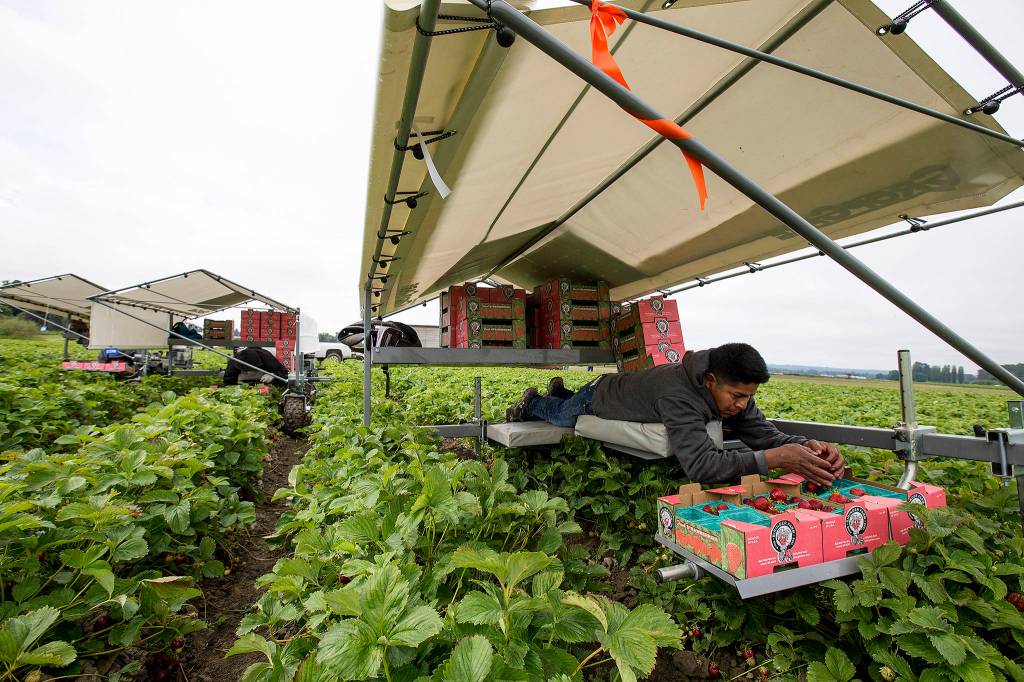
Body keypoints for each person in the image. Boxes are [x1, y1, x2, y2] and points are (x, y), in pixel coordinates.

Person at [506, 343, 844, 485]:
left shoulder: (731, 392)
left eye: (749, 397)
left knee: (567, 403)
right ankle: (534, 401)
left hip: (630, 391)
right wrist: (776, 459)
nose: (743, 405)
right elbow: (701, 466)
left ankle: (560, 391)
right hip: (603, 395)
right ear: (711, 380)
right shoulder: (678, 394)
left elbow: (766, 436)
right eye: (738, 396)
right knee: (565, 415)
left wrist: (807, 445)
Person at [222, 346, 289, 386]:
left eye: (250, 369)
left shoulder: (266, 357)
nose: (248, 372)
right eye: (246, 370)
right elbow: (228, 380)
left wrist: (273, 375)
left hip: (265, 378)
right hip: (244, 381)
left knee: (277, 382)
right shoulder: (235, 361)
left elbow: (284, 372)